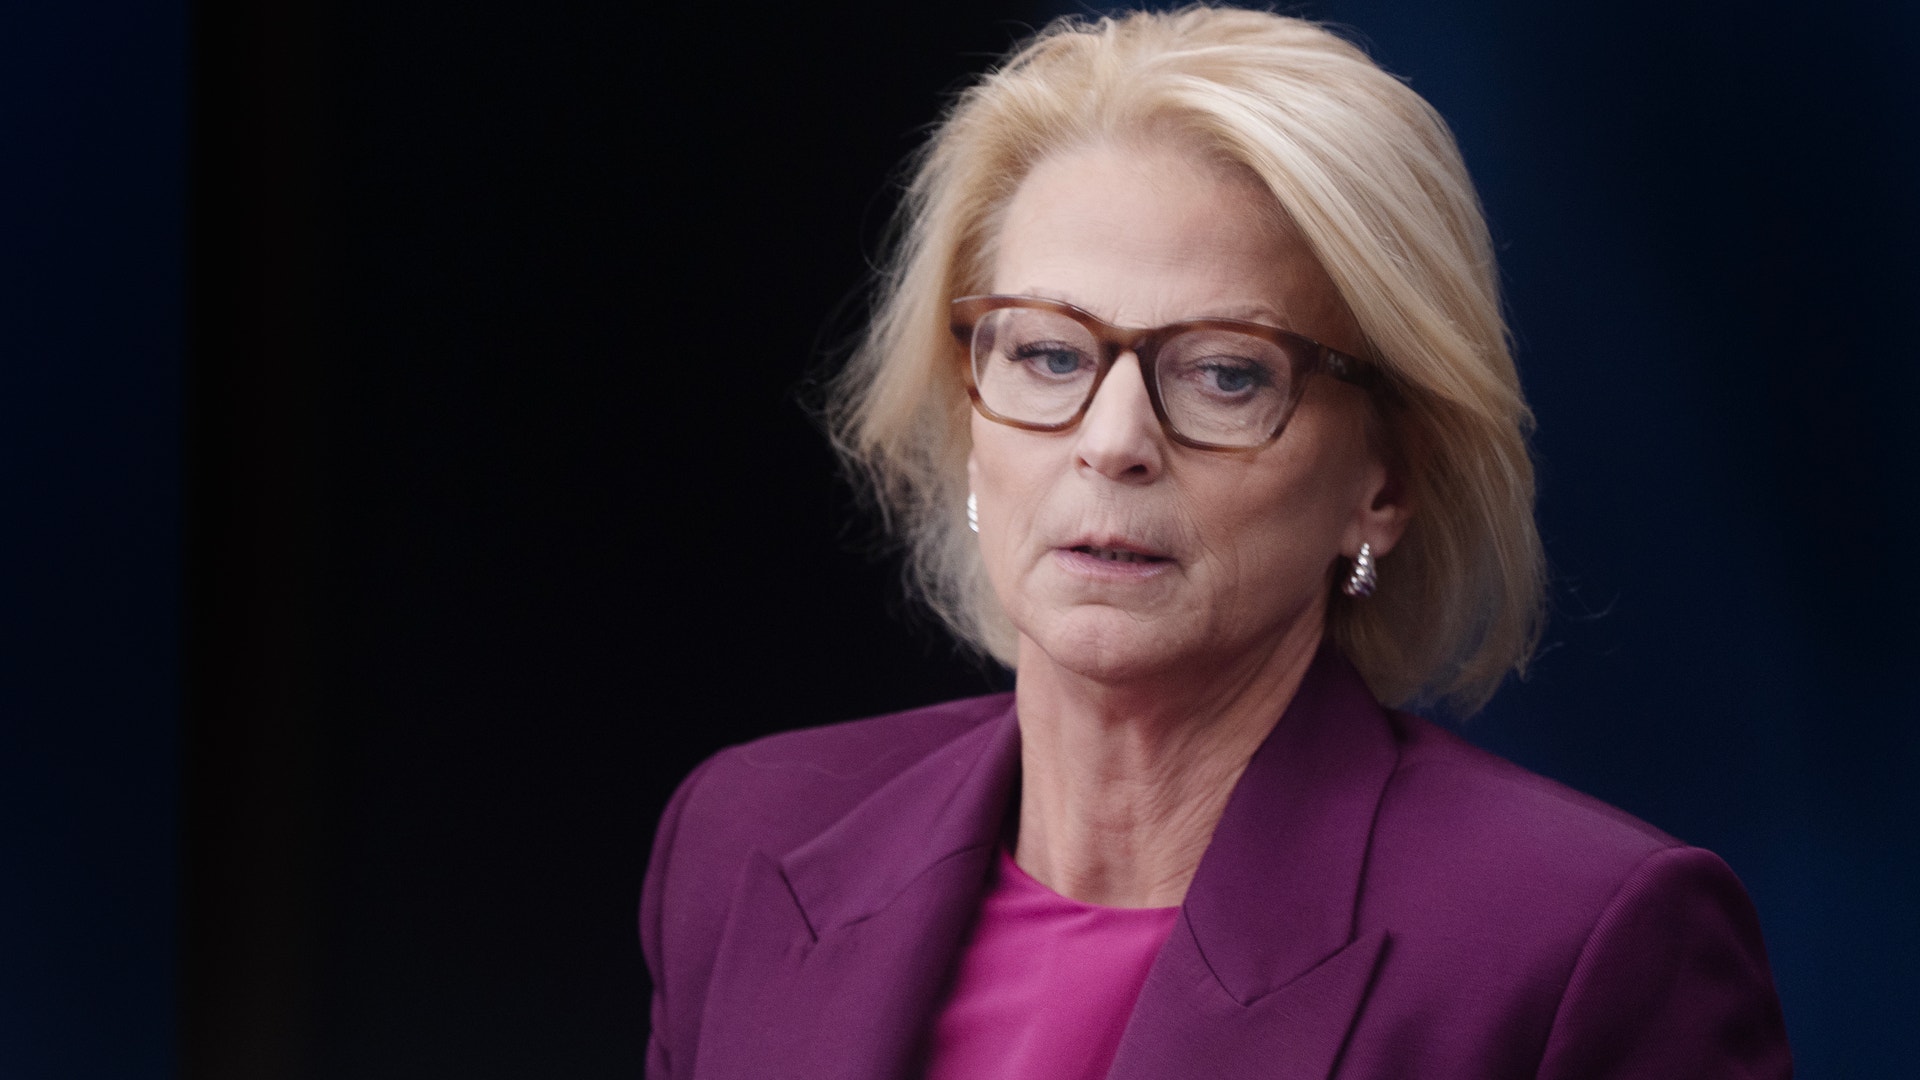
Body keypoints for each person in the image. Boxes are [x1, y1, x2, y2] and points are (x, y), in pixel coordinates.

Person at [639, 8, 1791, 1079]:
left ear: (1386, 481)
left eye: (1227, 373)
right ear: (966, 415)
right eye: (1047, 355)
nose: (1113, 442)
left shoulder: (1585, 945)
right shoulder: (744, 838)